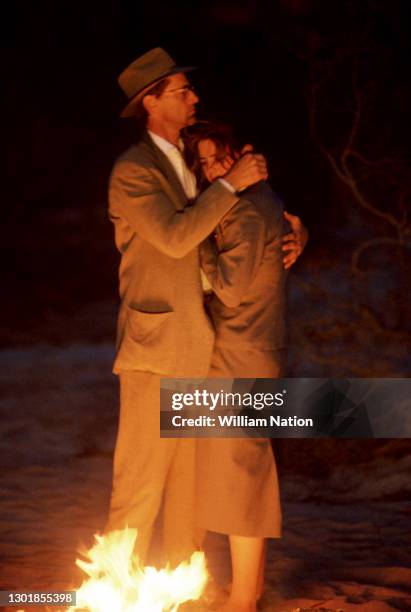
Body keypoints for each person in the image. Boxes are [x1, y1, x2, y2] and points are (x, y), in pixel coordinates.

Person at [106, 47, 273, 568]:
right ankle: (111, 587)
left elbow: (223, 232)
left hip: (200, 344)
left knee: (187, 489)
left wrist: (291, 230)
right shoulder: (133, 171)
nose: (194, 97)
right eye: (181, 91)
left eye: (190, 89)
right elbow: (178, 237)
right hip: (154, 350)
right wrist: (230, 184)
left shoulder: (186, 161)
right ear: (150, 102)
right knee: (139, 482)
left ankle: (184, 587)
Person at [184, 121, 307, 612]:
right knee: (240, 474)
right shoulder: (263, 201)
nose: (214, 169)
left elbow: (230, 289)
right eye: (206, 162)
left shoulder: (245, 210)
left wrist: (198, 240)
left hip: (240, 354)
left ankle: (242, 599)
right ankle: (246, 591)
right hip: (250, 351)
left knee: (243, 478)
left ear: (243, 155)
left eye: (221, 158)